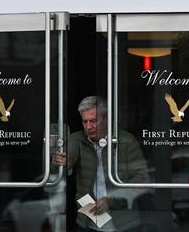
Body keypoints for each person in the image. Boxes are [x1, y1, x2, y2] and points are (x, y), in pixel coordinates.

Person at [52, 96, 149, 230]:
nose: (88, 126)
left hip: (124, 224)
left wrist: (111, 200)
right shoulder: (77, 139)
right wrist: (59, 162)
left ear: (107, 119)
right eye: (84, 121)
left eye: (93, 121)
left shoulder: (127, 141)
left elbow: (142, 180)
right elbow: (67, 160)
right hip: (88, 223)